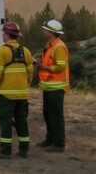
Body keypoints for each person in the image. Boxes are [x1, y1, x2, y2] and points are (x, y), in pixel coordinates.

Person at [0, 21, 33, 159]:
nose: (3, 36)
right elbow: (30, 73)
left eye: (3, 33)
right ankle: (24, 150)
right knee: (22, 122)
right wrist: (25, 86)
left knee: (6, 123)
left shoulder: (2, 51)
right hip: (22, 95)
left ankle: (6, 152)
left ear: (7, 35)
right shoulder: (26, 51)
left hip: (7, 95)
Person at [37, 19, 70, 152]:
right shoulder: (50, 45)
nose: (43, 31)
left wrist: (44, 67)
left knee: (56, 116)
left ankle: (58, 144)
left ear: (51, 32)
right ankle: (50, 139)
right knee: (48, 114)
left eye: (45, 29)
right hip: (49, 86)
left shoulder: (59, 47)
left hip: (56, 88)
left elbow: (61, 66)